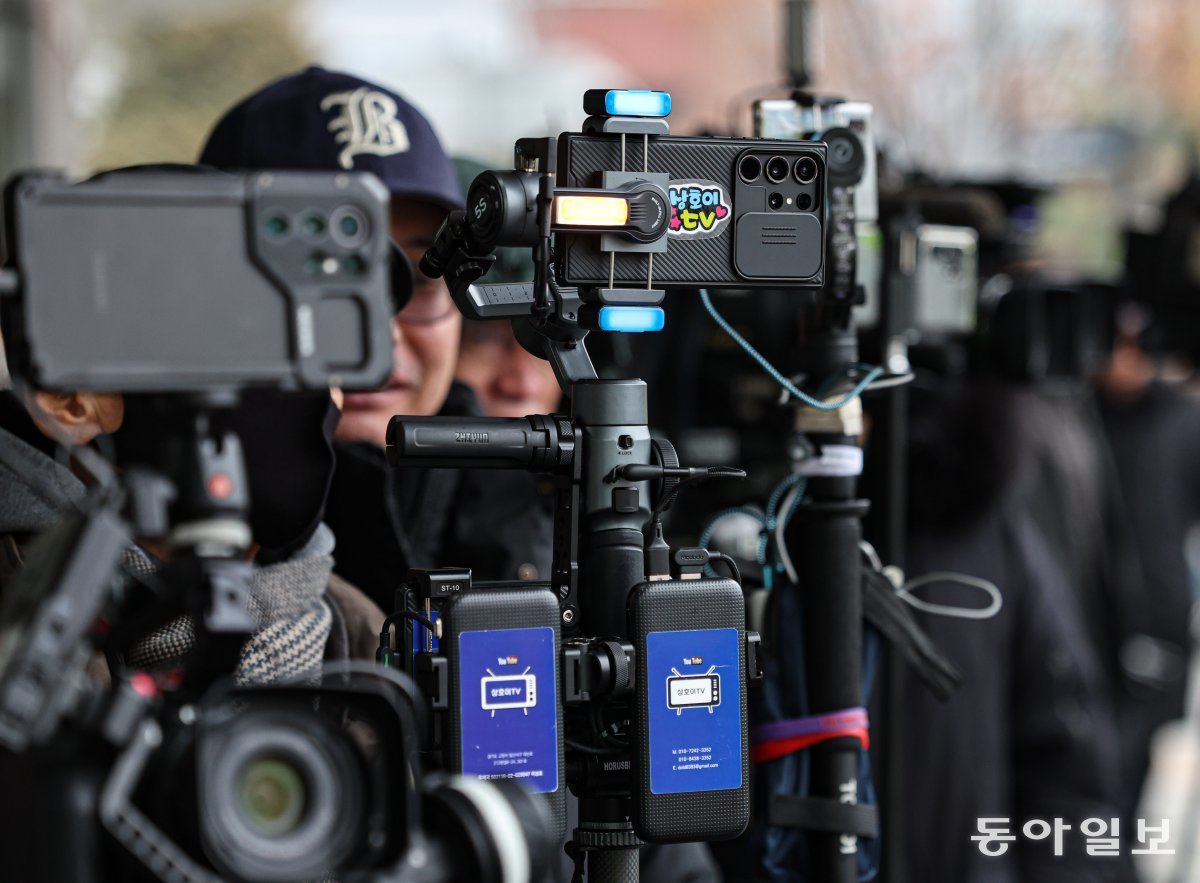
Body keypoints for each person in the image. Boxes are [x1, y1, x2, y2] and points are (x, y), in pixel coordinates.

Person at [200, 67, 555, 610]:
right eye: (327, 278)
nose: (379, 337)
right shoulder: (119, 525)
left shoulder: (536, 501)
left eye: (418, 277)